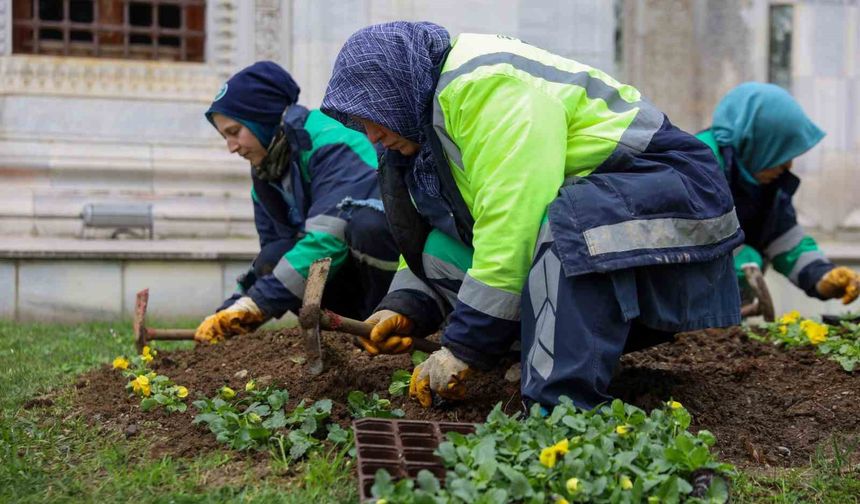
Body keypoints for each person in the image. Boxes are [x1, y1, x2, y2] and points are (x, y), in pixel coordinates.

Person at [320, 22, 744, 409]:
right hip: (605, 221)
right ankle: (535, 360)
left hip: (675, 195)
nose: (371, 135)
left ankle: (561, 411)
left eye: (373, 116)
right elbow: (438, 231)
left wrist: (464, 347)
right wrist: (405, 305)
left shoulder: (484, 87)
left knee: (565, 224)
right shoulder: (426, 122)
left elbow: (515, 223)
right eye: (360, 123)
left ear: (396, 90)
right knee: (435, 251)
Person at [194, 61, 399, 343]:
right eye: (224, 137)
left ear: (261, 119)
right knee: (272, 257)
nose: (231, 147)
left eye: (234, 132)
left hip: (395, 267)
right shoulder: (266, 175)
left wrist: (258, 303)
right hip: (347, 272)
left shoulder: (332, 140)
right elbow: (276, 255)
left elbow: (330, 236)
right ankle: (346, 339)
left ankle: (388, 324)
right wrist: (233, 308)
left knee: (367, 226)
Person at [696, 83, 859, 306]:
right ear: (758, 141)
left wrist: (824, 276)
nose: (788, 165)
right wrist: (742, 260)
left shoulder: (762, 178)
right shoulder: (696, 166)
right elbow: (693, 240)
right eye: (781, 152)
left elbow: (784, 238)